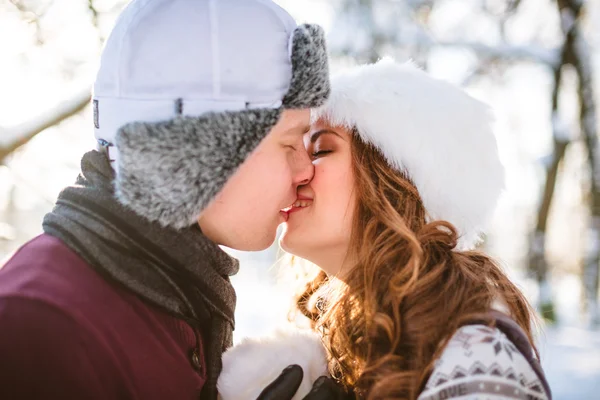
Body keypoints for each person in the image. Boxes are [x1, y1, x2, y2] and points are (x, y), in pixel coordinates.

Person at [0, 0, 333, 398]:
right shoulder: (40, 324)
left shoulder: (171, 296)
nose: (305, 170)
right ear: (199, 148)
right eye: (289, 142)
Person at [274, 58, 552, 399]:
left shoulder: (474, 355)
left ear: (394, 185)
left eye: (320, 150)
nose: (297, 171)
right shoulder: (323, 345)